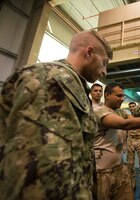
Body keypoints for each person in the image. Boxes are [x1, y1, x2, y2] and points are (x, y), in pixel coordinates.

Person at [0, 29, 113, 199]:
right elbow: (46, 174)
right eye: (104, 63)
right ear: (89, 52)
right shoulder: (57, 80)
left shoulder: (71, 84)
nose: (105, 72)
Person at [127, 101, 140, 190]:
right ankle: (132, 182)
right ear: (129, 108)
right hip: (130, 140)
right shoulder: (127, 117)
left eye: (133, 106)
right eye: (130, 106)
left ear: (136, 106)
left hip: (139, 139)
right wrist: (123, 143)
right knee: (130, 163)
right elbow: (124, 130)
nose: (132, 108)